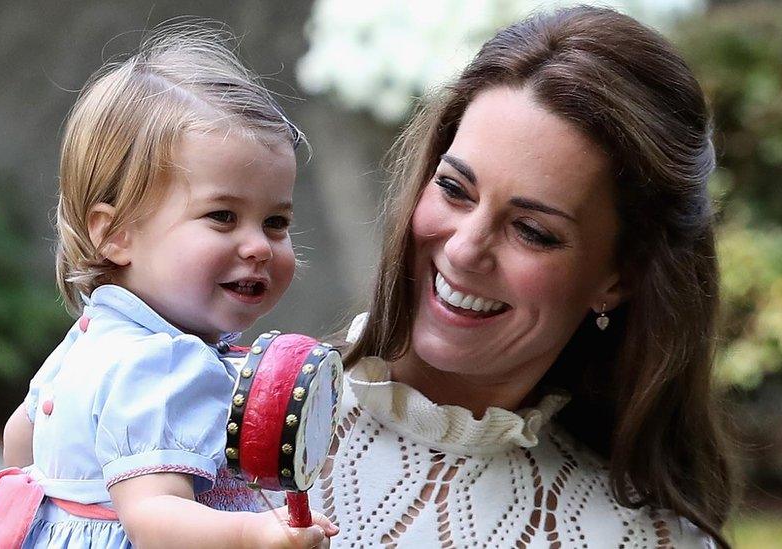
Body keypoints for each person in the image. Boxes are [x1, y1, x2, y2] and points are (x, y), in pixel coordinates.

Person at [309, 6, 737, 548]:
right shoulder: (206, 409)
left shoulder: (642, 539)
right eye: (454, 189)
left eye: (532, 230)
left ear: (619, 277)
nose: (465, 251)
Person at [0, 24, 338, 548]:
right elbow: (154, 518)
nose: (258, 245)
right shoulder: (166, 362)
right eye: (222, 216)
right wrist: (253, 534)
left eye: (276, 223)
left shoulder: (92, 335)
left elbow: (20, 445)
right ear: (116, 233)